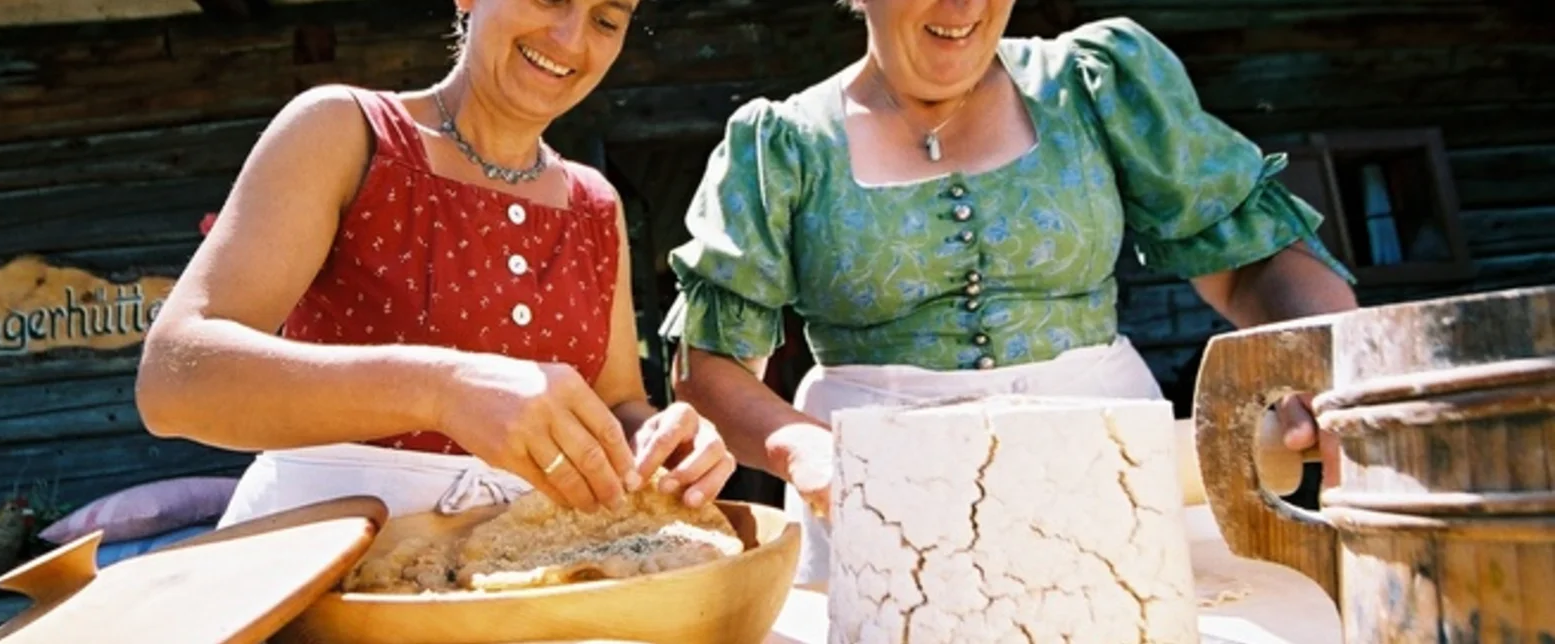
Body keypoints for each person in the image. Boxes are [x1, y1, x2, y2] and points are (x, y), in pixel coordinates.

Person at [659, 0, 1361, 587]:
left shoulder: (1092, 84)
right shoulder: (781, 144)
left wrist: (1329, 371)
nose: (962, 9)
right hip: (874, 497)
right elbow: (709, 369)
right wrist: (798, 447)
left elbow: (1248, 261)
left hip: (1109, 477)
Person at [135, 0, 736, 529]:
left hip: (521, 580)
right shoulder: (344, 133)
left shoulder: (594, 205)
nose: (571, 40)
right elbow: (172, 382)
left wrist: (663, 444)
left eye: (606, 19)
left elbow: (618, 406)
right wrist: (441, 390)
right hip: (320, 570)